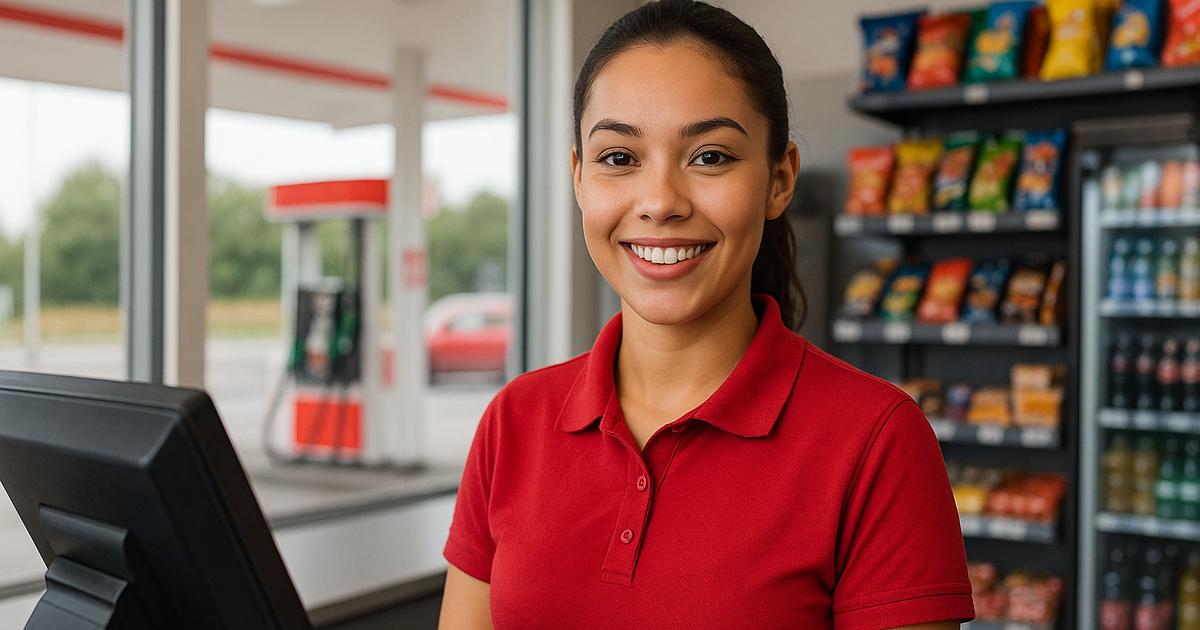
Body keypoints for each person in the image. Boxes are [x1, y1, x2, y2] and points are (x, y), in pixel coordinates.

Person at [438, 1, 974, 628]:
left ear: (779, 179)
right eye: (619, 158)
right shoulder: (514, 423)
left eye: (710, 156)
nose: (661, 201)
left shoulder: (878, 441)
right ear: (579, 179)